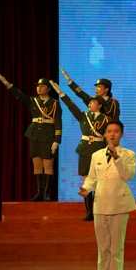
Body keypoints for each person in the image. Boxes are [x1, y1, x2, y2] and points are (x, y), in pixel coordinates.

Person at [79, 120, 136, 270]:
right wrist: (86, 188)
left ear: (121, 134)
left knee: (116, 246)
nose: (112, 134)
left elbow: (128, 175)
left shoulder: (129, 154)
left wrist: (116, 157)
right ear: (104, 134)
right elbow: (92, 177)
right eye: (109, 131)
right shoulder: (96, 155)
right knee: (103, 246)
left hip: (119, 204)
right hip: (100, 205)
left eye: (116, 131)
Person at [0, 72, 62, 202]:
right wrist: (7, 84)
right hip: (35, 135)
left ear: (48, 89)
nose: (39, 88)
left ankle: (46, 194)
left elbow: (58, 122)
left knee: (48, 165)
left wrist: (56, 140)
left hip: (48, 136)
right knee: (37, 165)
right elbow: (19, 96)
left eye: (42, 86)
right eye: (38, 86)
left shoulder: (55, 103)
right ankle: (39, 192)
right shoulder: (33, 101)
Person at [50, 80, 110, 221]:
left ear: (100, 105)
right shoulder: (83, 116)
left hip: (99, 150)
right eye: (89, 102)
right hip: (84, 150)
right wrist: (61, 93)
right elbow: (71, 106)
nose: (89, 104)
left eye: (93, 102)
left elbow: (109, 138)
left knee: (99, 182)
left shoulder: (107, 120)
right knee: (86, 181)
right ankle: (89, 212)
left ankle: (99, 211)